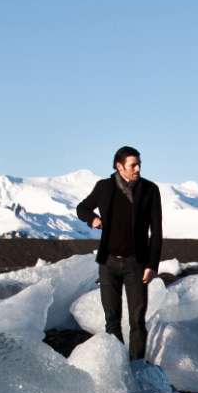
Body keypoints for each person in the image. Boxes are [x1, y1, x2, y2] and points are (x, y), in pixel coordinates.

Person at [76, 146, 162, 360]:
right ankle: (119, 366)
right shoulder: (104, 187)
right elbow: (82, 208)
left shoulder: (150, 190)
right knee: (112, 321)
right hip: (108, 263)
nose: (138, 169)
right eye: (133, 165)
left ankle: (137, 367)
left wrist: (152, 264)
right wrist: (92, 219)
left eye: (139, 164)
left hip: (137, 264)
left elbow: (157, 231)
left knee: (137, 320)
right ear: (119, 166)